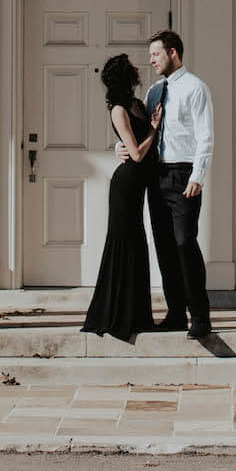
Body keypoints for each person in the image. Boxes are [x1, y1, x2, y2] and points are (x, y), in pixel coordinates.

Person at [132, 28, 213, 338]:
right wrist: (121, 147)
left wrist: (197, 175)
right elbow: (143, 132)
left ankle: (200, 317)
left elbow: (205, 136)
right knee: (164, 246)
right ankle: (176, 313)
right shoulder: (154, 91)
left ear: (173, 53)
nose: (151, 60)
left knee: (184, 243)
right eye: (151, 54)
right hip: (156, 175)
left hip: (183, 174)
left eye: (156, 54)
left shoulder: (196, 88)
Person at [80, 53, 157, 343]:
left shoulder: (138, 104)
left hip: (138, 185)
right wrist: (153, 128)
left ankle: (137, 314)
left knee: (137, 244)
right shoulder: (119, 110)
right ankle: (113, 314)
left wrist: (139, 135)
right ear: (125, 76)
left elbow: (133, 146)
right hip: (125, 186)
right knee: (122, 243)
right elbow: (136, 153)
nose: (138, 69)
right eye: (132, 67)